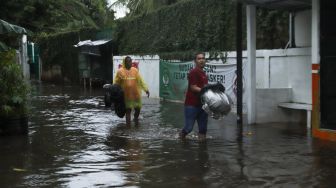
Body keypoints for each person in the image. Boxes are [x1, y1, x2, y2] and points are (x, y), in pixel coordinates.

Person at [114, 56, 150, 126]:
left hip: (136, 94)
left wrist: (146, 89)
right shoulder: (120, 71)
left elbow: (141, 81)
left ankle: (136, 121)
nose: (131, 63)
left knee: (138, 108)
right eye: (129, 61)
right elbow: (116, 83)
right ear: (125, 63)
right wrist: (115, 93)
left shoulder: (135, 70)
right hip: (126, 96)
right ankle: (128, 127)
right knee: (128, 110)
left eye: (131, 61)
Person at [180, 52, 208, 140]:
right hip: (191, 105)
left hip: (203, 105)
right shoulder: (194, 72)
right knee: (188, 128)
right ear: (195, 61)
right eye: (199, 59)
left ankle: (202, 150)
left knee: (203, 129)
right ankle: (180, 138)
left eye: (203, 58)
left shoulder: (203, 73)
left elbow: (204, 87)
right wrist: (207, 91)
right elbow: (193, 88)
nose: (201, 60)